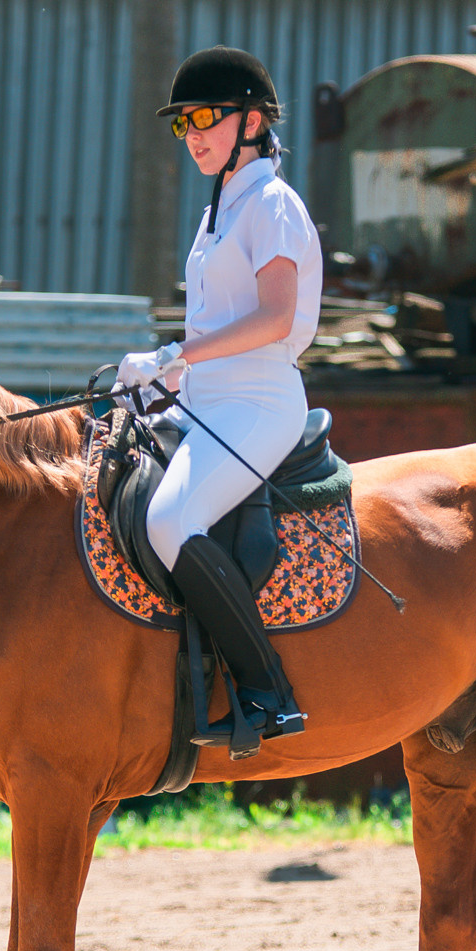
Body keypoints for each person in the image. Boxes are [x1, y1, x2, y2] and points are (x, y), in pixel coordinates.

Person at [115, 46, 324, 754]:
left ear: (253, 121)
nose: (193, 134)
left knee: (170, 521)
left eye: (205, 117)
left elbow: (274, 317)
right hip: (204, 400)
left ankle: (267, 692)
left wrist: (175, 354)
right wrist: (159, 379)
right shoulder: (218, 214)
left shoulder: (272, 205)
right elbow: (215, 329)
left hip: (259, 403)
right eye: (184, 124)